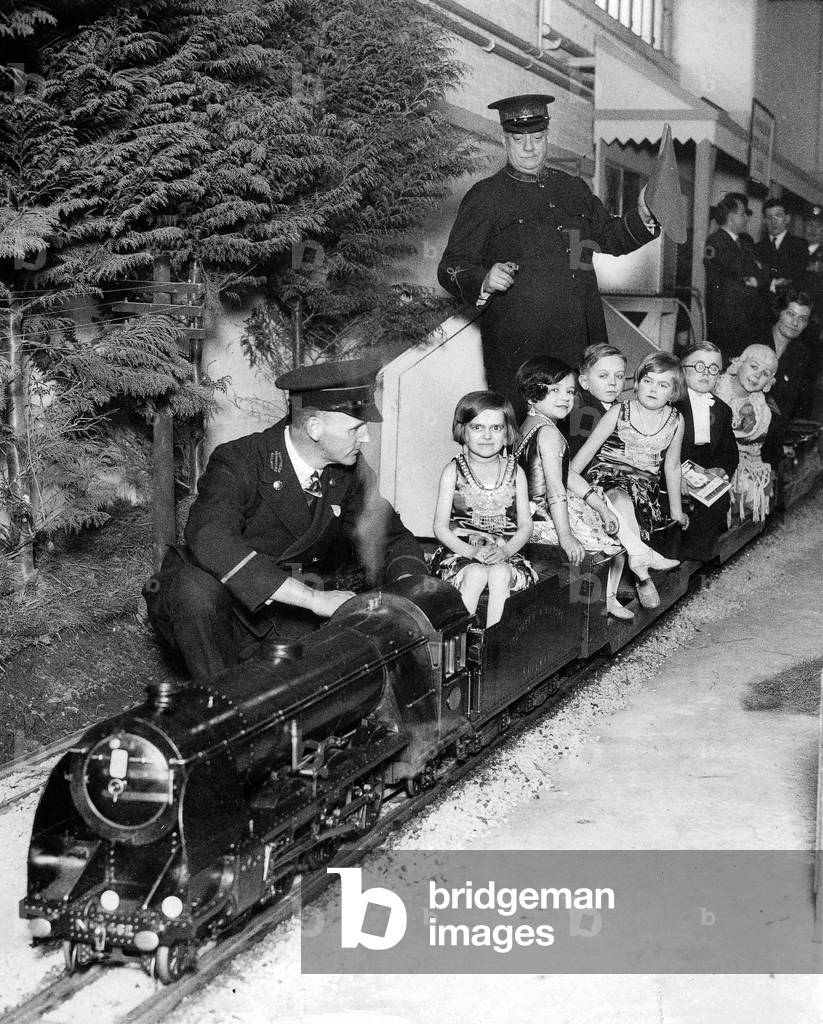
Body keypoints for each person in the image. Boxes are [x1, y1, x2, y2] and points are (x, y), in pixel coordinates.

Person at [142, 358, 428, 680]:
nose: (366, 439)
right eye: (355, 428)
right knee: (193, 588)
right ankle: (220, 702)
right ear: (314, 427)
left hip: (284, 614)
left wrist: (415, 590)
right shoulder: (242, 459)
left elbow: (391, 536)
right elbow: (210, 537)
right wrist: (314, 599)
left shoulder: (349, 472)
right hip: (224, 612)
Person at [436, 93, 659, 414]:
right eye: (519, 139)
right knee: (526, 441)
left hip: (581, 342)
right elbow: (450, 266)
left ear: (546, 137)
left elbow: (610, 237)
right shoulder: (485, 196)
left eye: (537, 138)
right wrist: (483, 279)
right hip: (519, 348)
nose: (529, 148)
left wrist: (645, 218)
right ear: (504, 140)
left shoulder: (573, 189)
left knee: (582, 433)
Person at [515, 357, 677, 620]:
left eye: (569, 391)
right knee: (613, 535)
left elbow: (566, 475)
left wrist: (598, 504)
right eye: (554, 390)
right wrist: (566, 535)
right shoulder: (549, 433)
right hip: (544, 514)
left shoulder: (533, 424)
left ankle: (626, 576)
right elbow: (556, 491)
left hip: (533, 507)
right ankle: (612, 594)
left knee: (608, 512)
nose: (565, 398)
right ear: (533, 393)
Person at [571, 351, 687, 610]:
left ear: (674, 391)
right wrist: (571, 486)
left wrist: (677, 511)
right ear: (637, 383)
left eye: (663, 384)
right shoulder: (619, 411)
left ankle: (638, 562)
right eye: (648, 381)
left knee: (630, 501)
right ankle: (643, 572)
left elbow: (673, 465)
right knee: (620, 496)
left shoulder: (676, 421)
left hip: (644, 487)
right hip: (607, 476)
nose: (653, 389)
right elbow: (584, 456)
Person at [431, 391, 536, 627]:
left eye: (496, 428)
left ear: (507, 431)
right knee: (477, 573)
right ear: (463, 430)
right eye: (477, 428)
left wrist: (507, 551)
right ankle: (460, 639)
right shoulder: (452, 472)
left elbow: (526, 525)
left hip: (505, 553)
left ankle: (494, 643)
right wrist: (470, 552)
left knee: (499, 574)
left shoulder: (516, 472)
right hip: (460, 554)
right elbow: (440, 527)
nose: (487, 436)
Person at [675, 342, 739, 561]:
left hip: (705, 465)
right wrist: (677, 473)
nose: (706, 374)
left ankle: (692, 558)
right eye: (699, 366)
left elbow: (729, 450)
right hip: (675, 462)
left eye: (713, 369)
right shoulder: (672, 403)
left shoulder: (721, 409)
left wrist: (721, 469)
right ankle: (672, 554)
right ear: (683, 369)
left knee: (718, 498)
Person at [714, 345, 778, 523]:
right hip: (708, 456)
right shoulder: (716, 386)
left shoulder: (760, 409)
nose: (757, 376)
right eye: (754, 366)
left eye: (765, 374)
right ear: (738, 364)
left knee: (751, 487)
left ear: (769, 382)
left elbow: (753, 448)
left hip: (740, 460)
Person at [703, 192, 769, 360]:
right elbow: (736, 274)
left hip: (743, 320)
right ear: (731, 217)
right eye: (743, 214)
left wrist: (755, 278)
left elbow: (760, 273)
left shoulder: (742, 244)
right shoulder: (717, 242)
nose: (747, 218)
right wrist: (752, 277)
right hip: (728, 323)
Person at [567, 343, 628, 458]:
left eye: (619, 376)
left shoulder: (618, 407)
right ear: (584, 382)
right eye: (603, 376)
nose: (613, 382)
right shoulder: (585, 412)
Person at [755, 196, 809, 292]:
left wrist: (765, 269)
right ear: (764, 221)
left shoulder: (799, 245)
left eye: (778, 216)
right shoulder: (757, 248)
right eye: (769, 217)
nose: (773, 221)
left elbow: (797, 275)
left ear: (787, 219)